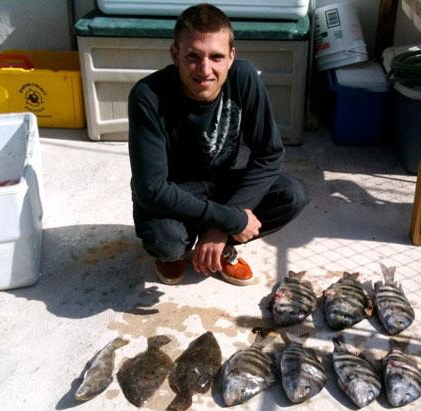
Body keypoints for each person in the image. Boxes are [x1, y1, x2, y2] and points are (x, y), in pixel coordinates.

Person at [127, 3, 309, 286]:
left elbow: (269, 156)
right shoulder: (147, 96)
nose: (205, 69)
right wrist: (231, 219)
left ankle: (219, 247)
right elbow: (151, 189)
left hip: (221, 184)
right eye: (193, 56)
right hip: (173, 191)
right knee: (167, 242)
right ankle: (176, 252)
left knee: (292, 194)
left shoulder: (244, 77)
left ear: (231, 57)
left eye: (216, 57)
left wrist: (221, 227)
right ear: (175, 54)